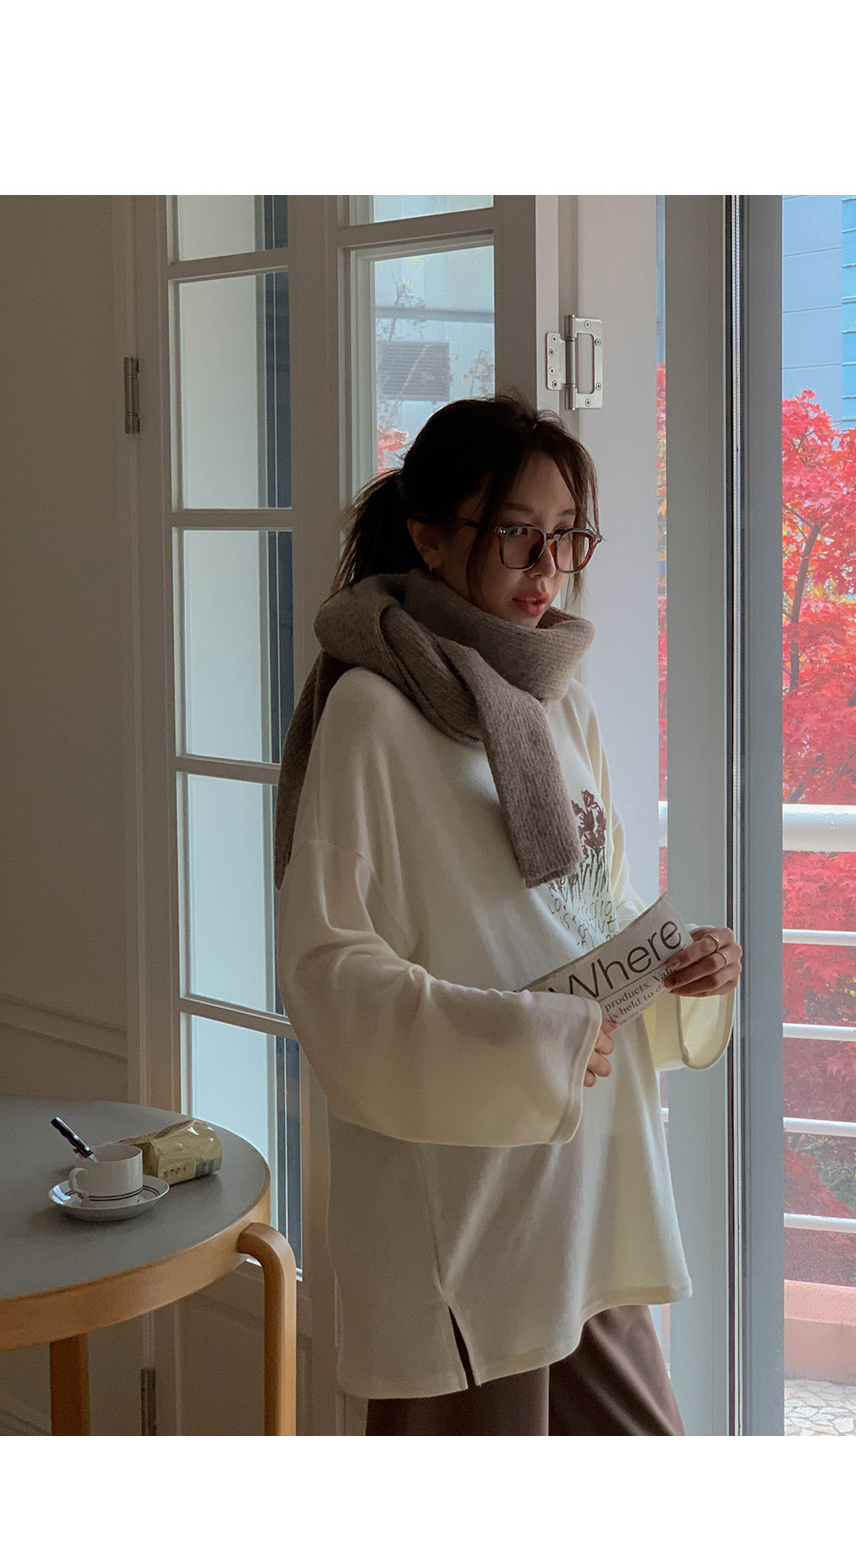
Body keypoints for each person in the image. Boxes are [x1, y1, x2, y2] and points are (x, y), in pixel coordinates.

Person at [274, 391, 741, 1436]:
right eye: (518, 533)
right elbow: (327, 971)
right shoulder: (371, 714)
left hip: (586, 1181)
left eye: (567, 535)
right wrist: (528, 1044)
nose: (548, 568)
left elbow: (595, 911)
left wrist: (683, 967)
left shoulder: (559, 702)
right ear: (431, 536)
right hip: (465, 1215)